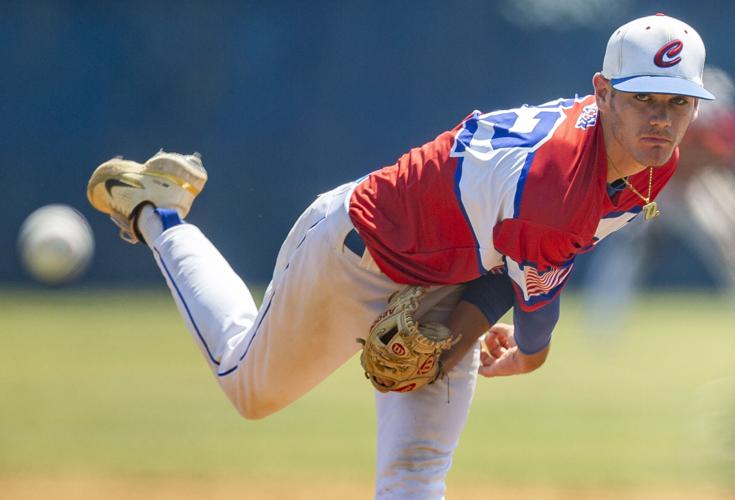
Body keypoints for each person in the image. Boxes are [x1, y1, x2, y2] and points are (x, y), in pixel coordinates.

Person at [87, 14, 713, 499]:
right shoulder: (552, 184)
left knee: (417, 470)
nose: (661, 120)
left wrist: (455, 338)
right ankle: (161, 216)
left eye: (677, 103)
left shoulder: (650, 163)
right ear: (602, 93)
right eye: (643, 99)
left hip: (448, 270)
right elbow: (535, 314)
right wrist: (522, 353)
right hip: (355, 253)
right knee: (250, 390)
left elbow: (511, 262)